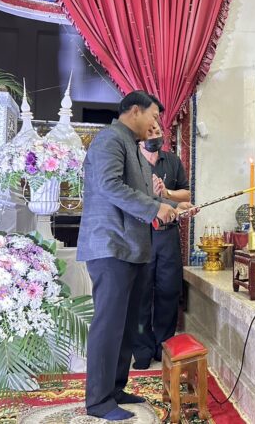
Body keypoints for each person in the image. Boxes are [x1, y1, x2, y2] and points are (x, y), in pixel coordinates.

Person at [77, 91, 194, 421]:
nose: (156, 123)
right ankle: (98, 401)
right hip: (111, 246)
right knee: (109, 325)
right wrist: (156, 209)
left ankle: (115, 389)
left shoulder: (134, 147)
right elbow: (110, 185)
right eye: (154, 115)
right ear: (135, 111)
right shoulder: (110, 139)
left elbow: (143, 196)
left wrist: (173, 206)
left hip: (132, 248)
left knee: (128, 325)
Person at [132, 123, 190, 369]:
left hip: (167, 236)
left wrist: (168, 194)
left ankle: (163, 346)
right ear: (139, 136)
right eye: (150, 132)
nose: (155, 136)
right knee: (141, 294)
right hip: (141, 235)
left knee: (168, 291)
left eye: (158, 132)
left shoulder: (172, 161)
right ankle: (142, 349)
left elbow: (186, 195)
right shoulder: (131, 162)